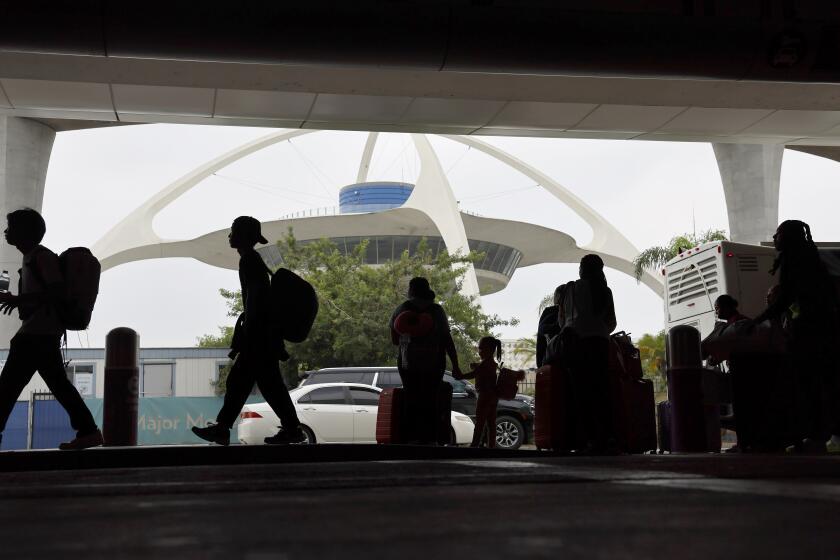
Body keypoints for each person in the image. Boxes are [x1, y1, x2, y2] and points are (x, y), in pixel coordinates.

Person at [192, 216, 304, 446]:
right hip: (264, 336)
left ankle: (224, 429)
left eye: (232, 231)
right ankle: (289, 429)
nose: (229, 236)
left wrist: (248, 333)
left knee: (246, 382)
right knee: (264, 385)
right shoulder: (254, 259)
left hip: (258, 337)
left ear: (241, 235)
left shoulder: (249, 261)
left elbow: (255, 299)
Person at [0, 208, 103, 450]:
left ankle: (89, 431)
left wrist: (18, 300)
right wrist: (19, 301)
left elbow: (56, 291)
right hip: (40, 335)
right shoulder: (29, 260)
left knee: (7, 389)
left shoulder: (41, 257)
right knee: (59, 386)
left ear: (24, 232)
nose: (6, 232)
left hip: (36, 336)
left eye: (11, 227)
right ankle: (89, 431)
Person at [752, 220, 840, 453]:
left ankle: (817, 438)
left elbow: (785, 298)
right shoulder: (811, 260)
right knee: (827, 383)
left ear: (789, 237)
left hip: (811, 330)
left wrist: (757, 320)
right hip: (825, 328)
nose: (774, 237)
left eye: (779, 234)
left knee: (810, 385)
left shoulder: (794, 261)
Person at [389, 277, 462, 444]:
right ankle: (431, 439)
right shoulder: (437, 311)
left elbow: (394, 340)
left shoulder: (401, 309)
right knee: (431, 400)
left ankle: (410, 439)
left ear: (411, 290)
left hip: (408, 364)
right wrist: (456, 365)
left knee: (411, 399)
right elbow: (447, 340)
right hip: (434, 364)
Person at [561, 254, 618, 454]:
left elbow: (563, 321)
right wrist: (598, 328)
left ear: (582, 269)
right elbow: (612, 322)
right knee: (601, 391)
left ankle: (585, 440)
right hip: (599, 343)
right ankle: (606, 438)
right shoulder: (605, 291)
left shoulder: (570, 289)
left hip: (575, 343)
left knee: (579, 393)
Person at [457, 336, 502, 448]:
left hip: (484, 396)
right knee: (491, 423)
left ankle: (474, 445)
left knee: (480, 423)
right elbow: (480, 371)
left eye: (481, 348)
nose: (479, 351)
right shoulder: (492, 363)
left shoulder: (485, 364)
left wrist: (460, 376)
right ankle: (491, 446)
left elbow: (473, 374)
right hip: (493, 397)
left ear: (489, 349)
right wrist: (476, 366)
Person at [536, 284, 566, 368]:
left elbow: (541, 335)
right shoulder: (551, 311)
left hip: (552, 359)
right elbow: (542, 332)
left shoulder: (550, 311)